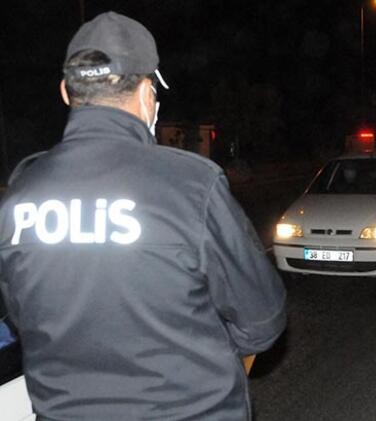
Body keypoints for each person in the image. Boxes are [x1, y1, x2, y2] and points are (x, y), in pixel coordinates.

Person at [0, 12, 286, 420]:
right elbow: (263, 318)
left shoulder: (19, 195)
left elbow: (22, 314)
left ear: (67, 92)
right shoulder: (192, 185)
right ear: (147, 92)